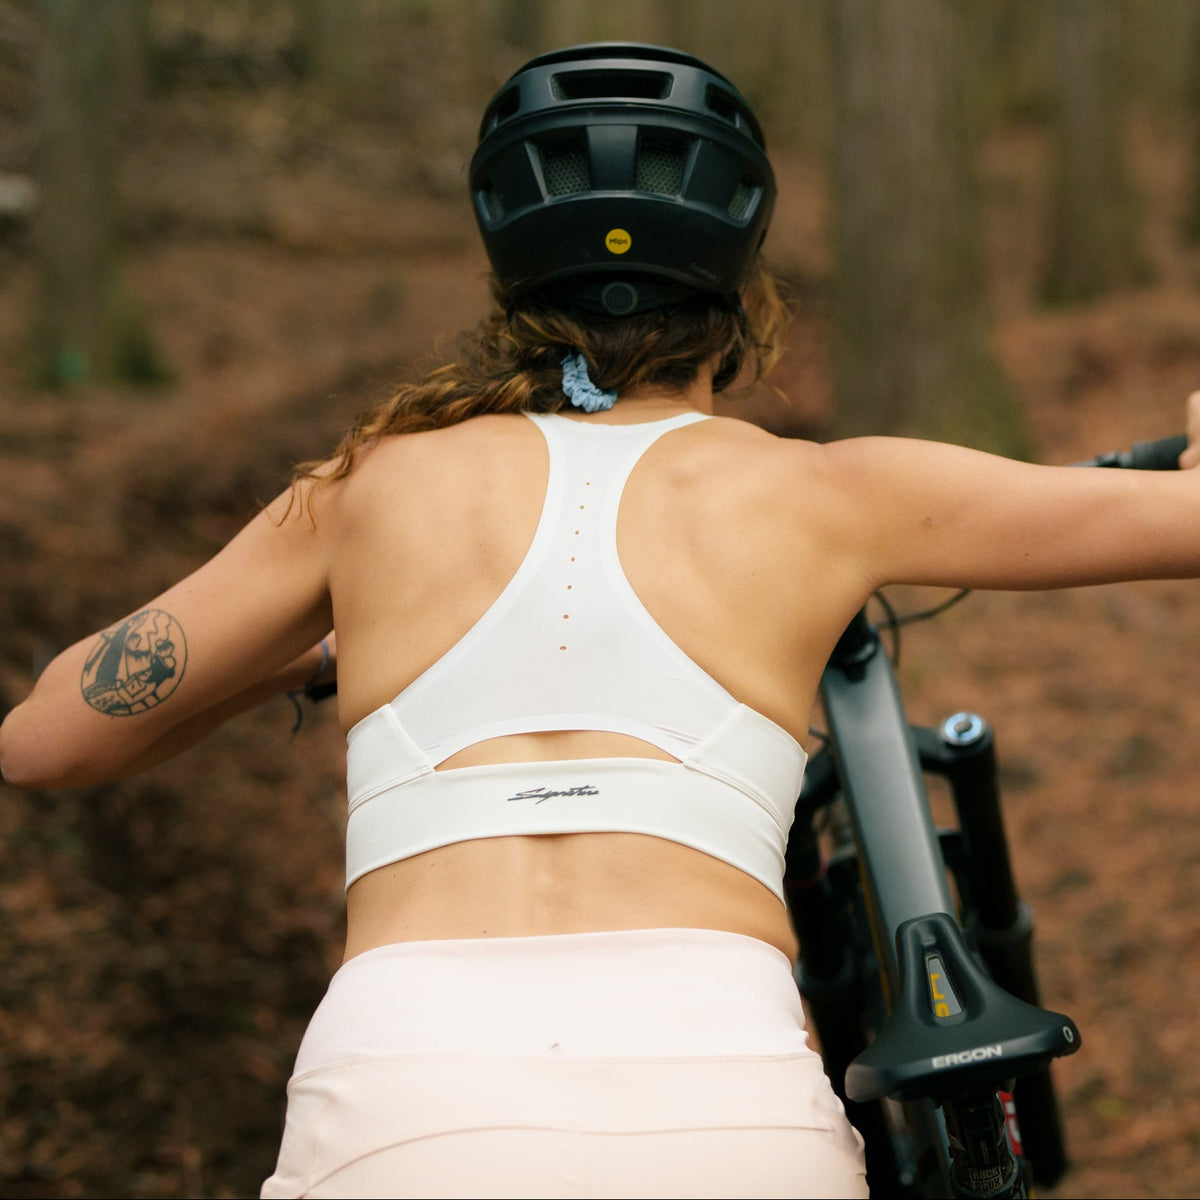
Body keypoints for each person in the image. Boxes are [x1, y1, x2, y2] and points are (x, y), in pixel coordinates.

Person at [3, 42, 1200, 1200]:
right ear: (740, 290)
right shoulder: (832, 495)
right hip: (727, 1108)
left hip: (411, 1107)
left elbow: (47, 740)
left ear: (510, 284)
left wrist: (310, 655)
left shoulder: (369, 491)